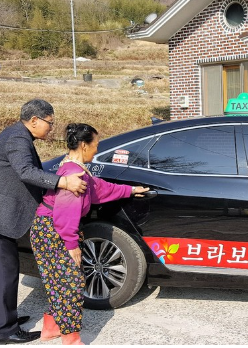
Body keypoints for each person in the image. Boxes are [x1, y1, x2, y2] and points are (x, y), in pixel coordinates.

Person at [0, 99, 87, 345]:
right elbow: (25, 171)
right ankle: (4, 331)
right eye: (49, 123)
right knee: (3, 272)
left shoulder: (19, 135)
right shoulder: (18, 138)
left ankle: (1, 319)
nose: (51, 128)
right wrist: (63, 182)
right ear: (35, 120)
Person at [30, 123, 148, 345]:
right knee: (71, 284)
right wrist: (72, 245)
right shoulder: (74, 175)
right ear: (84, 145)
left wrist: (131, 190)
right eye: (95, 145)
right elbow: (66, 213)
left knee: (58, 282)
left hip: (48, 229)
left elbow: (99, 188)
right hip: (54, 231)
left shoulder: (73, 167)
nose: (97, 150)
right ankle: (71, 339)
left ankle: (51, 328)